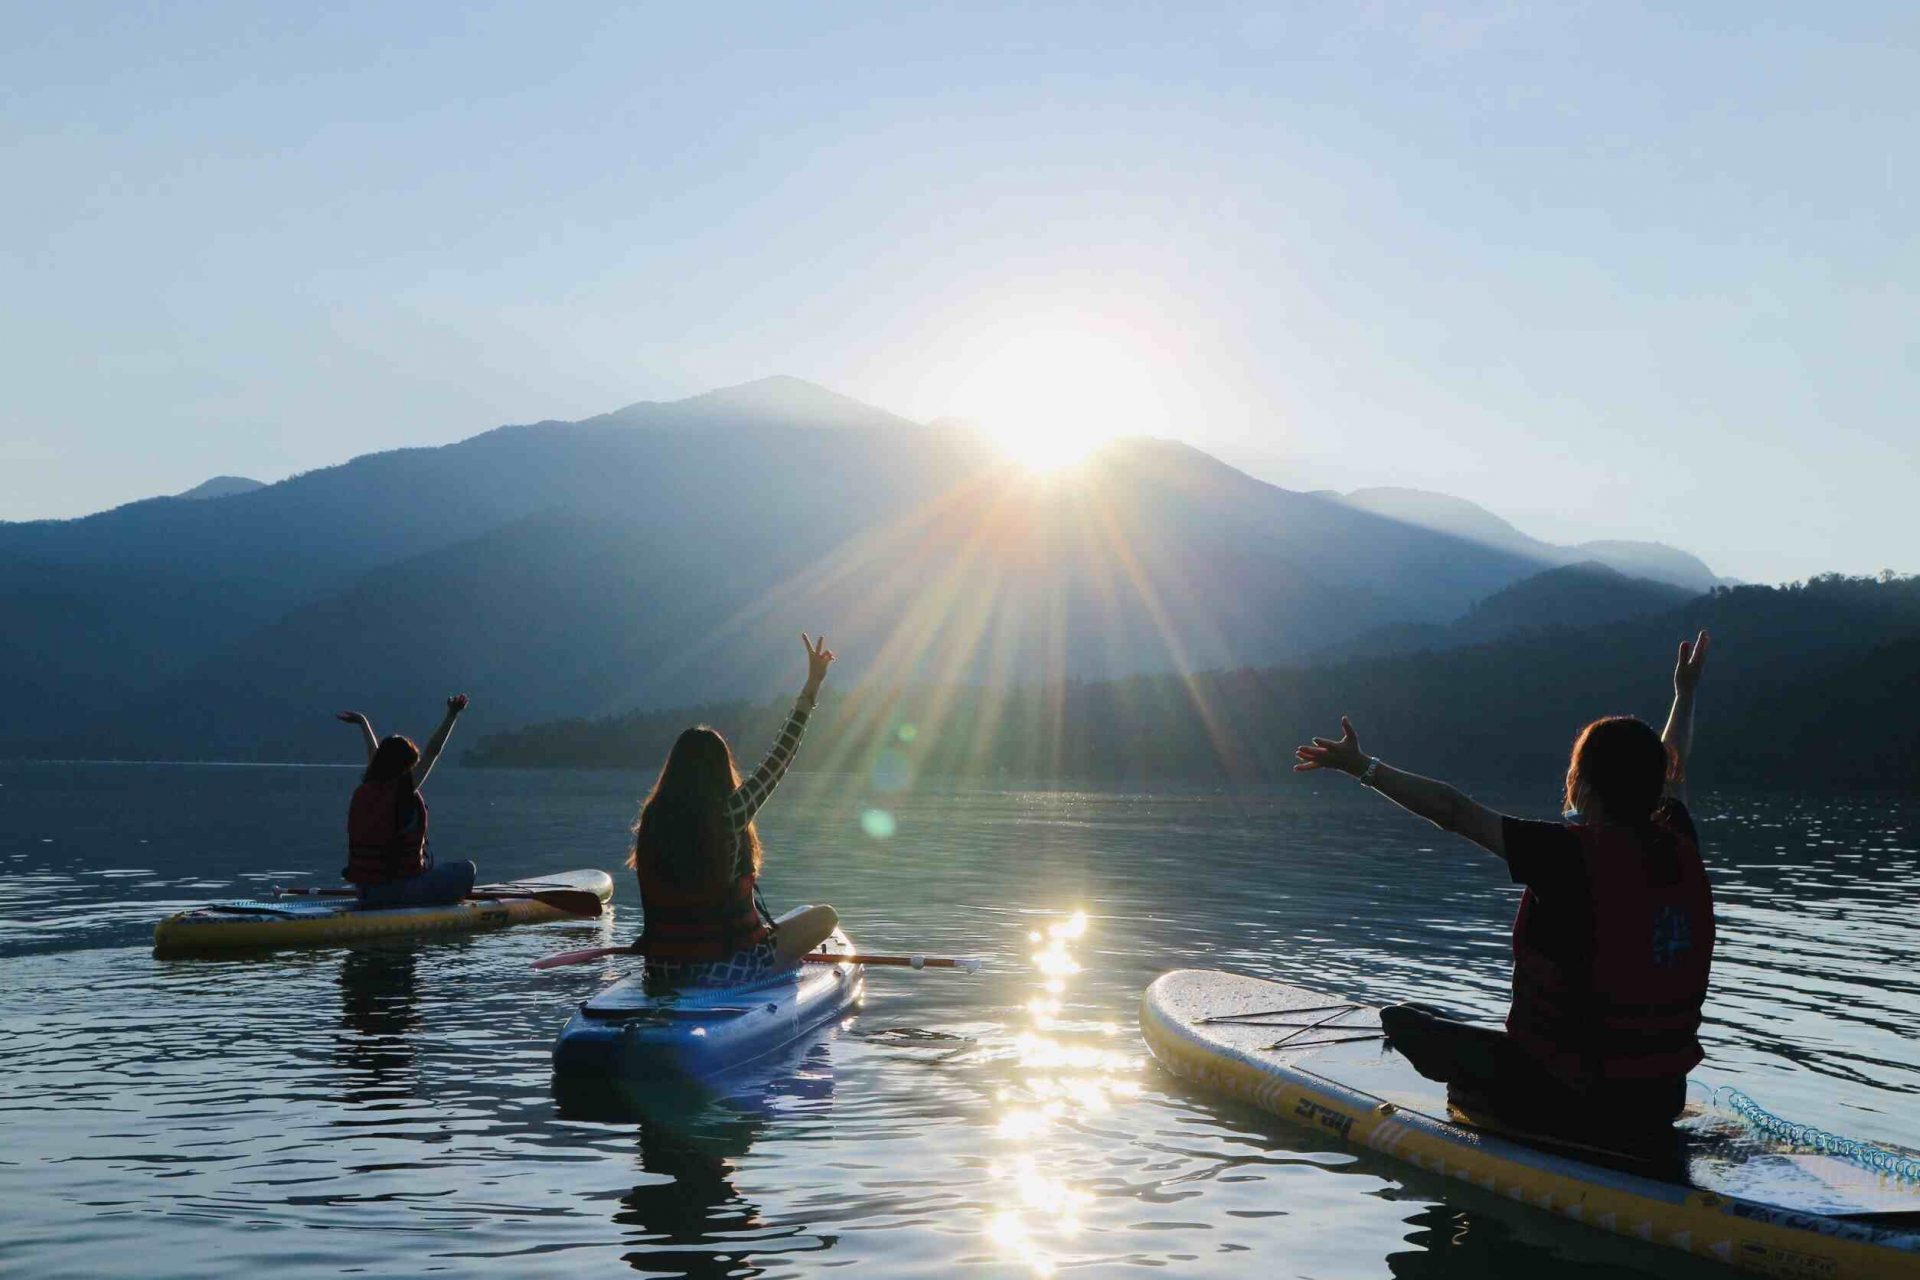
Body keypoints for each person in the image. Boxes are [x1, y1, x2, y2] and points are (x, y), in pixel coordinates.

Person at [1292, 632, 1714, 1158]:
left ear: (1583, 785)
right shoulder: (1678, 841)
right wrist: (1685, 693)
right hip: (1659, 1098)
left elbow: (1454, 811)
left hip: (1568, 1099)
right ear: (1654, 788)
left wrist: (1362, 767)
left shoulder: (1564, 853)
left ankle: (1502, 1119)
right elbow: (1673, 766)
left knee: (1403, 1020)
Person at [628, 634, 841, 989]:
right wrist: (812, 686)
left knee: (799, 916)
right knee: (823, 918)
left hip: (662, 970)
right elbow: (779, 758)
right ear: (720, 769)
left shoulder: (652, 820)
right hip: (727, 970)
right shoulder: (728, 814)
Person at [336, 694, 478, 908]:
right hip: (399, 891)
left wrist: (363, 723)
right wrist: (451, 715)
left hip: (365, 892)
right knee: (467, 869)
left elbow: (375, 757)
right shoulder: (402, 790)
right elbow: (433, 751)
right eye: (411, 765)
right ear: (404, 766)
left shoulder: (366, 789)